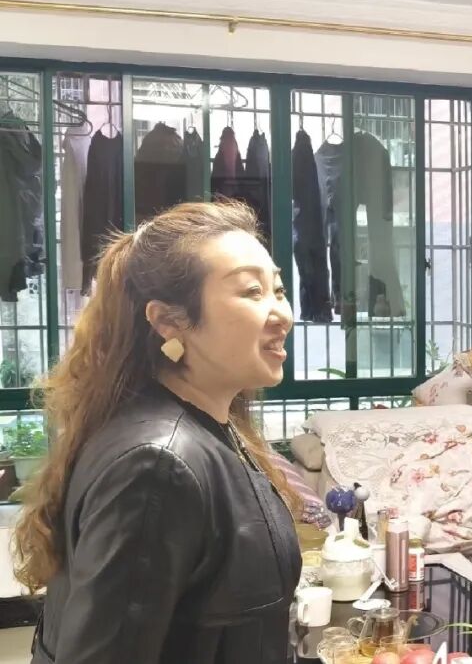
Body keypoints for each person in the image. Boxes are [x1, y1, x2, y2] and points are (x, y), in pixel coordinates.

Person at [15, 201, 302, 664]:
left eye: (279, 290)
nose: (282, 314)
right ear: (168, 321)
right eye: (252, 291)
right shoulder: (158, 464)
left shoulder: (209, 429)